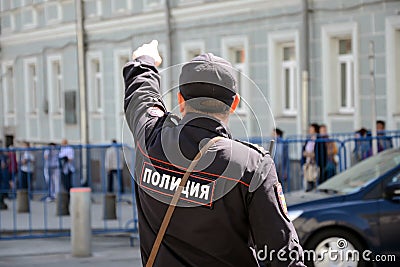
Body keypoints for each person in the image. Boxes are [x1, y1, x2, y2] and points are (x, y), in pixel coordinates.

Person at [124, 40, 305, 266]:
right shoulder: (250, 165)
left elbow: (142, 97)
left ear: (180, 100)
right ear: (234, 104)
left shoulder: (150, 138)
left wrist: (144, 61)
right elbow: (282, 254)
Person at [301, 123, 327, 191]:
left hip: (316, 162)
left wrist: (311, 154)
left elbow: (318, 152)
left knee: (316, 175)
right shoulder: (308, 139)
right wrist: (307, 154)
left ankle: (318, 188)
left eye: (311, 129)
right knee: (308, 175)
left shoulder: (319, 139)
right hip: (308, 161)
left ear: (315, 130)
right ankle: (310, 187)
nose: (309, 130)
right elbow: (304, 150)